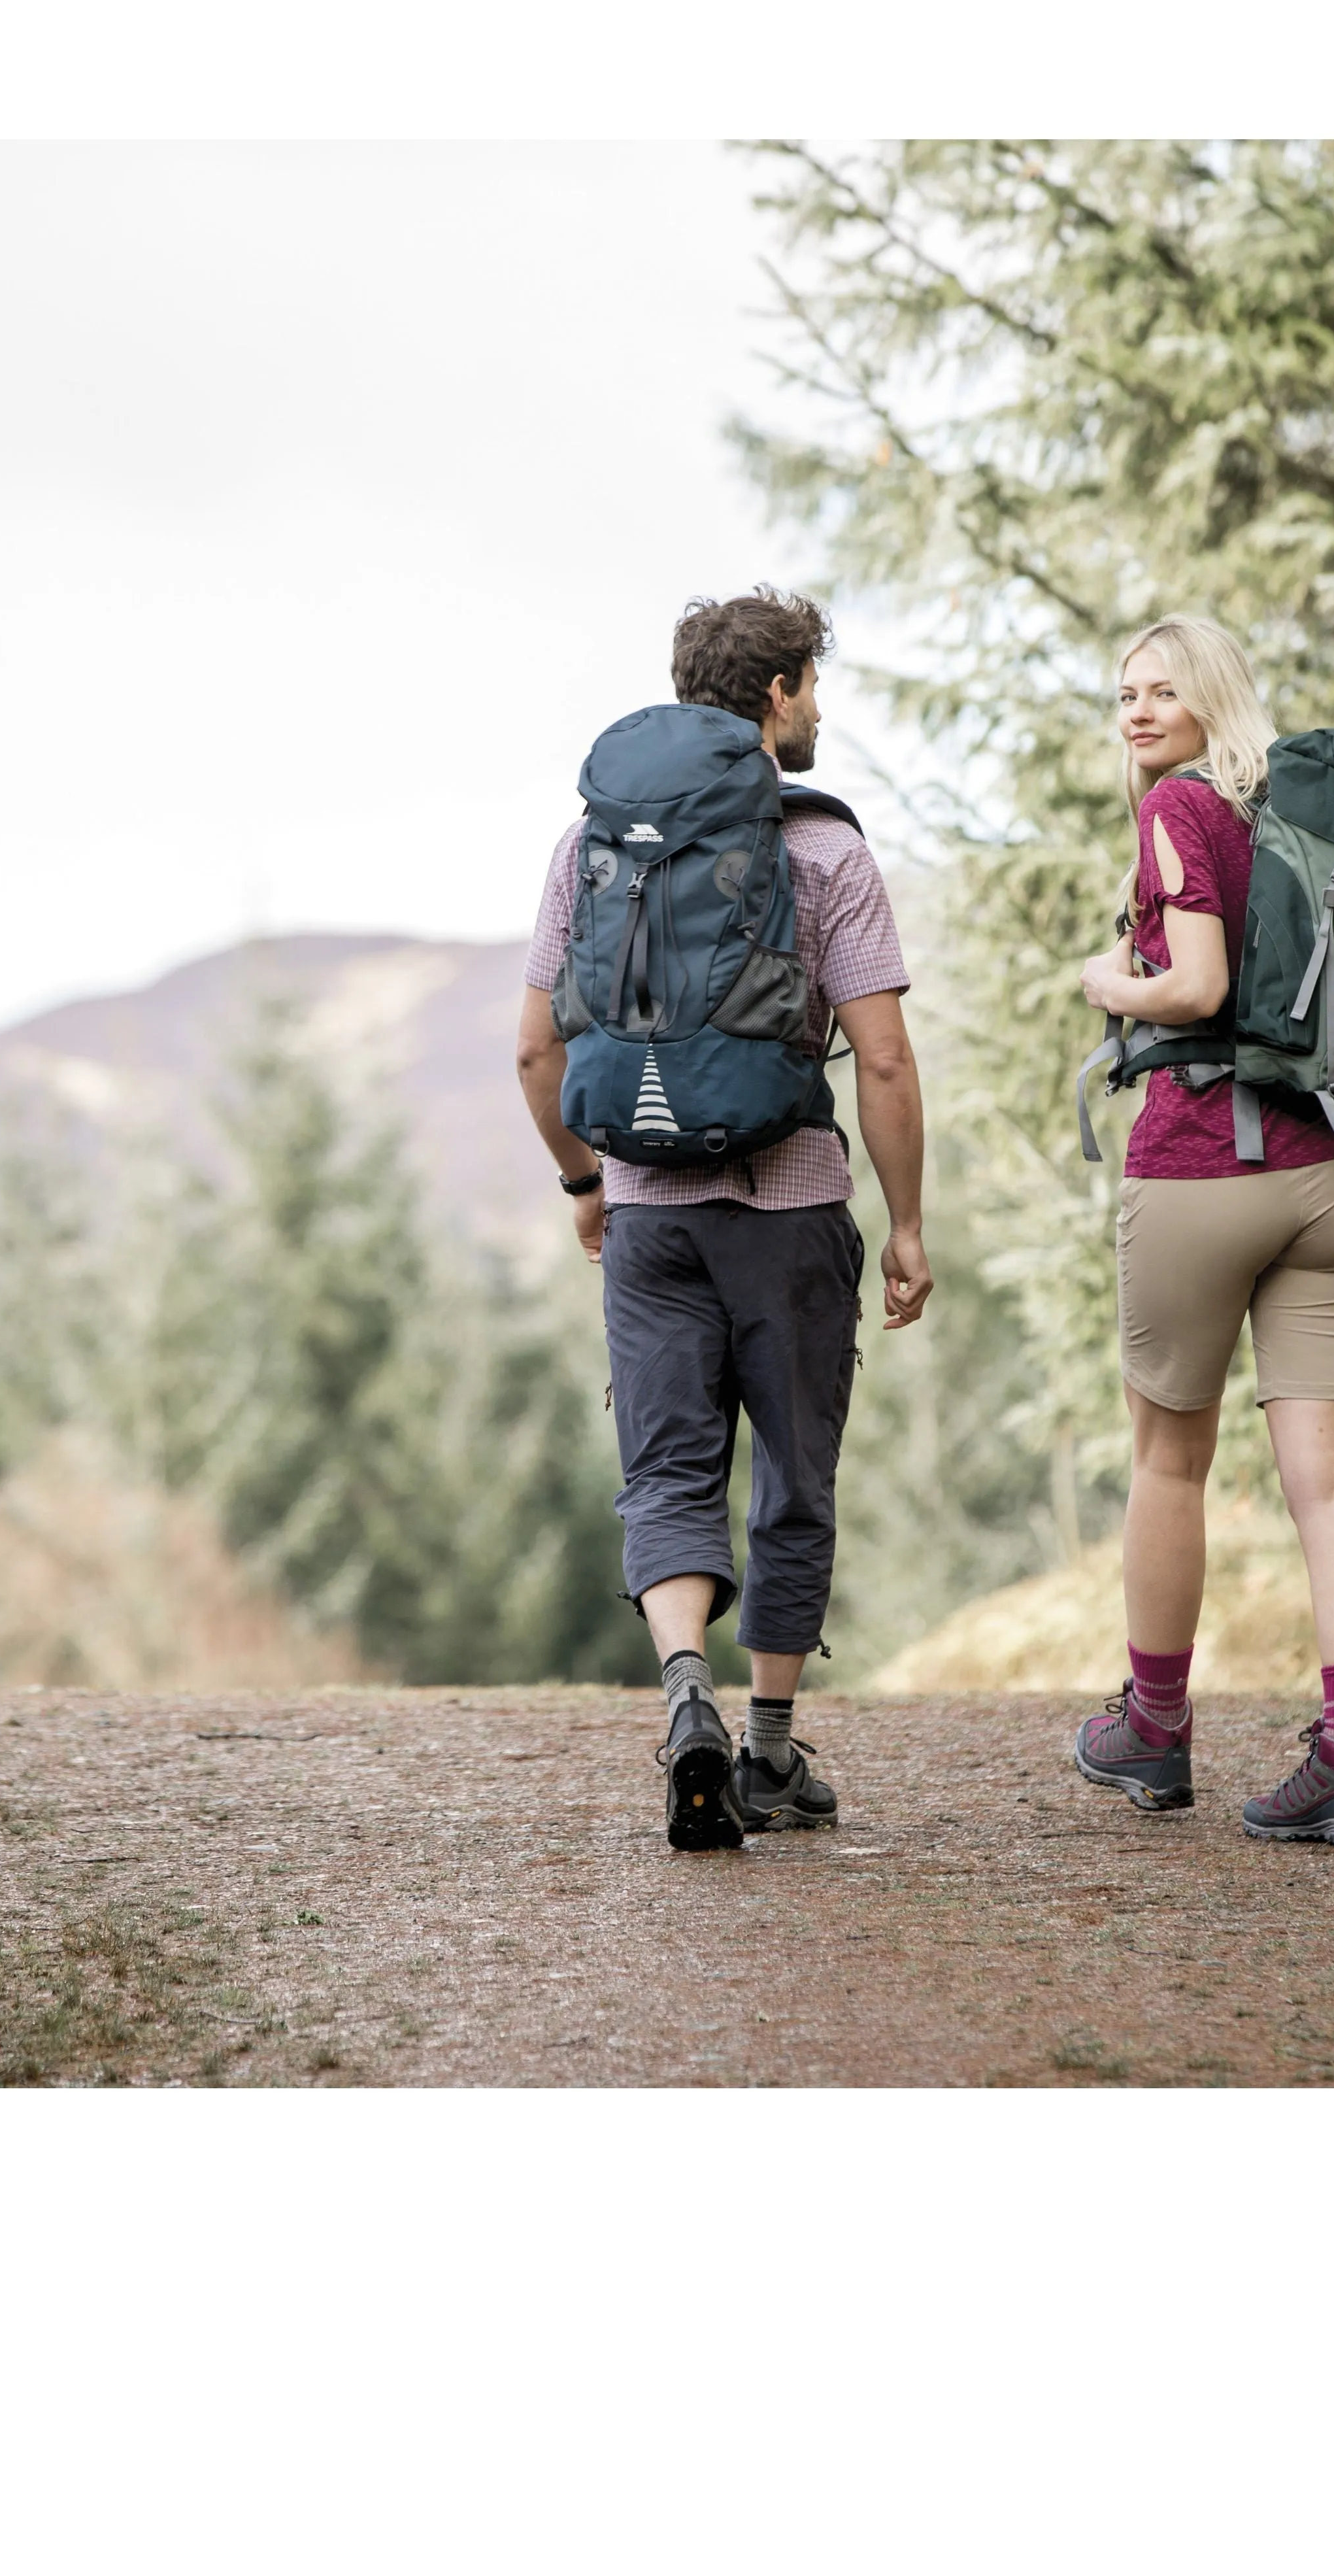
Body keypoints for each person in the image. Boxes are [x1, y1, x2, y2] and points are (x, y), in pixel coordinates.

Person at [513, 588, 933, 1850]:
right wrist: (908, 1224)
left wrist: (589, 1186)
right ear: (775, 695)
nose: (817, 708)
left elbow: (537, 1053)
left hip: (646, 1214)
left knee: (668, 1469)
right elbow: (888, 1062)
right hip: (791, 1204)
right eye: (811, 684)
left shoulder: (589, 846)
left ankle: (683, 1690)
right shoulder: (827, 848)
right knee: (794, 1479)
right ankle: (765, 1751)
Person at [1069, 615, 1334, 1846]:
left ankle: (1155, 1733)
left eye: (1165, 690)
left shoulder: (1180, 811)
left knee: (1170, 1460)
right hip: (1333, 1176)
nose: (1142, 713)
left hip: (1206, 1168)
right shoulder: (1322, 809)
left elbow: (1200, 987)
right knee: (1331, 1491)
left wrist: (1112, 982)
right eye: (1127, 695)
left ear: (1213, 698)